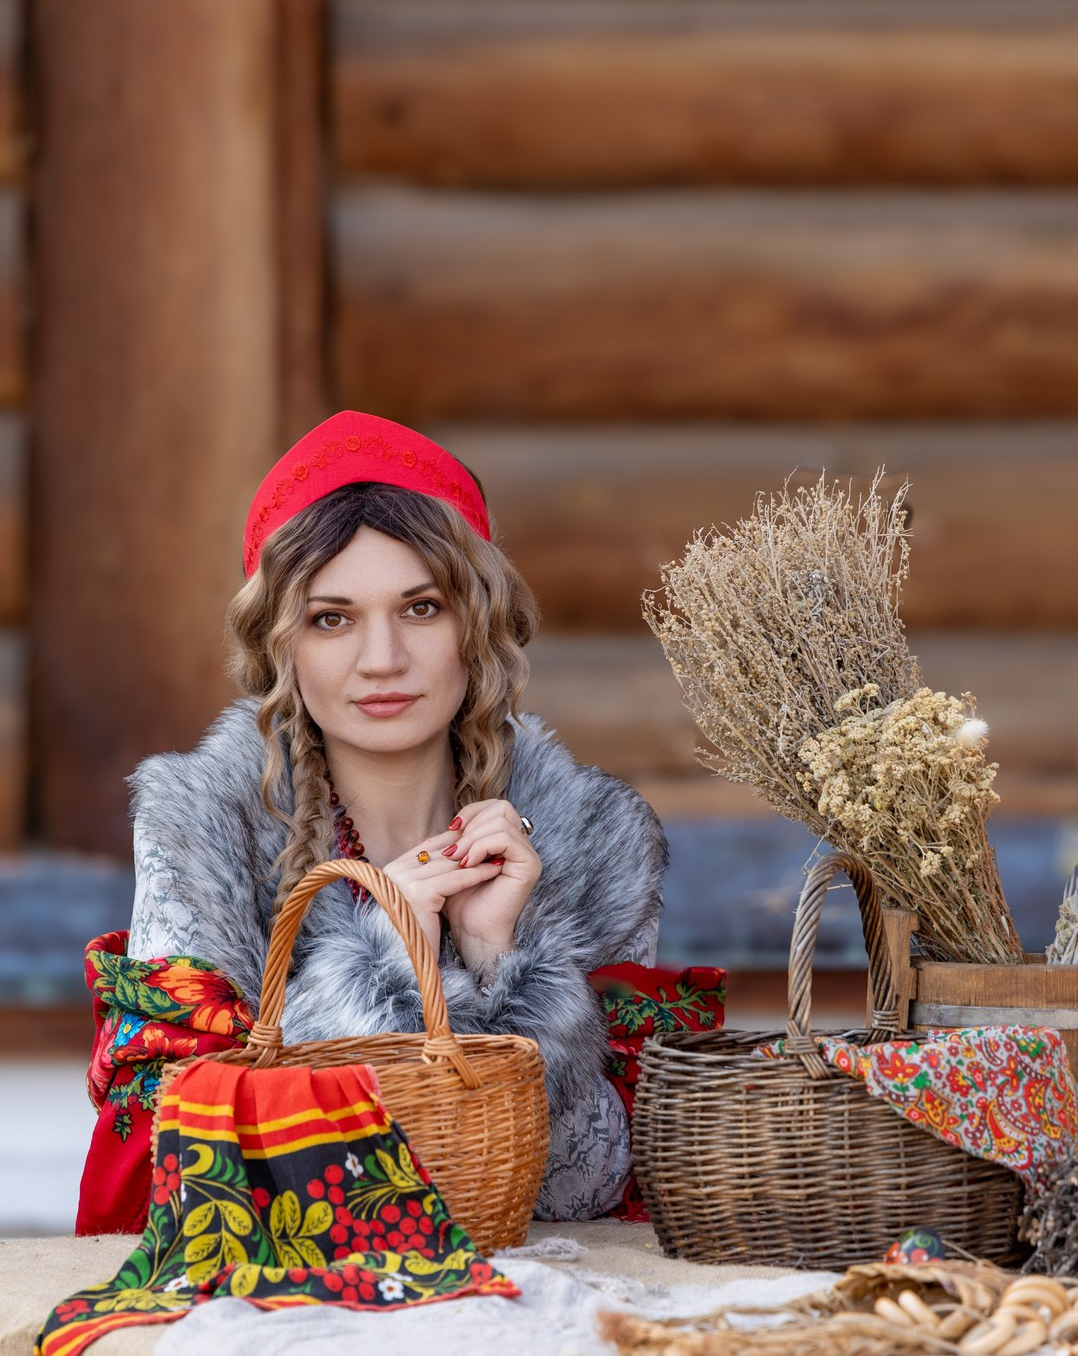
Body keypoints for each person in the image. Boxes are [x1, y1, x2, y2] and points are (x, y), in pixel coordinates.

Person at [113, 410, 670, 1223]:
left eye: (421, 608)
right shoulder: (204, 832)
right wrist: (379, 962)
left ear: (476, 624)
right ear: (281, 647)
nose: (381, 660)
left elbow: (593, 1191)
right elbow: (169, 1168)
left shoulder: (596, 841)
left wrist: (501, 962)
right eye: (330, 617)